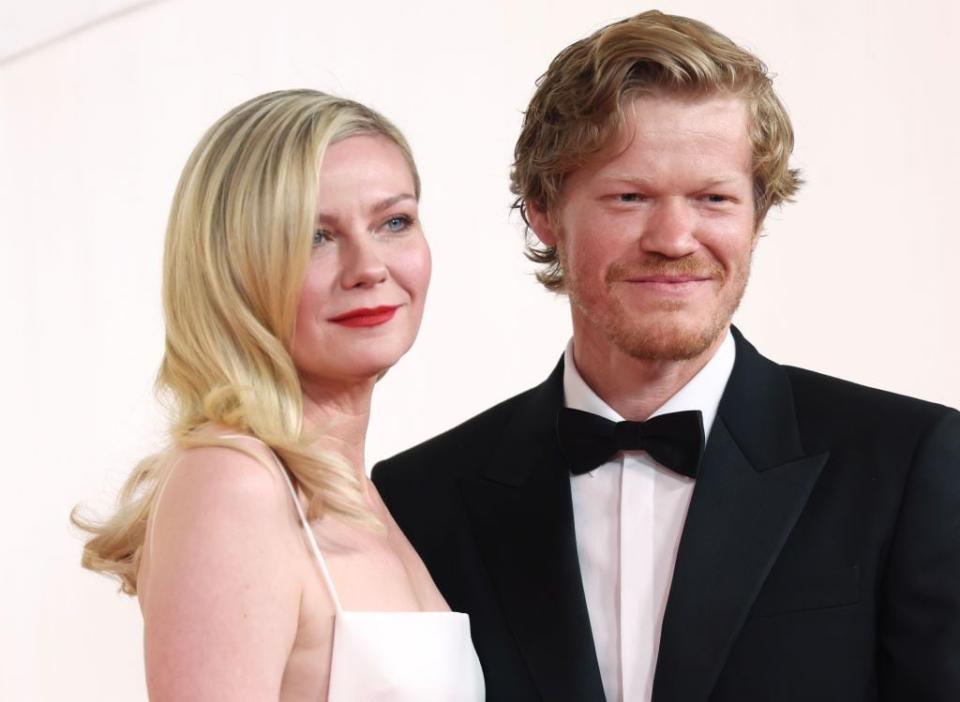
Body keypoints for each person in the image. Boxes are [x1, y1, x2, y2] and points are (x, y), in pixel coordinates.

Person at [372, 11, 960, 702]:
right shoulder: (420, 497)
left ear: (757, 215)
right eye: (630, 197)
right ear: (542, 210)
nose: (675, 238)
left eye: (714, 198)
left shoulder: (909, 463)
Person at [73, 89, 484, 701]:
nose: (368, 267)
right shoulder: (233, 482)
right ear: (234, 269)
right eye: (316, 236)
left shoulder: (364, 493)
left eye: (393, 222)